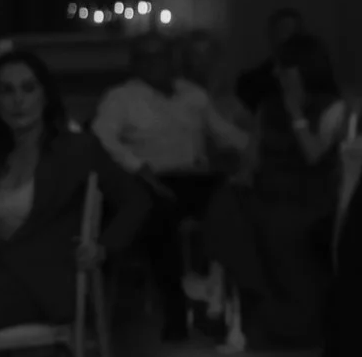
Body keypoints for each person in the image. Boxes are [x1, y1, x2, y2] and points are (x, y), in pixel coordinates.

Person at [0, 51, 150, 330]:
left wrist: (102, 248)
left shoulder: (76, 149)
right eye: (6, 91)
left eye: (28, 88)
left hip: (49, 284)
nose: (18, 101)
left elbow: (136, 200)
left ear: (45, 95)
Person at [93, 35, 250, 340]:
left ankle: (222, 304)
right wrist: (140, 169)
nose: (156, 63)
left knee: (235, 200)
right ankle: (175, 311)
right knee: (158, 215)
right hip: (150, 180)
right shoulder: (121, 98)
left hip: (195, 178)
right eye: (146, 57)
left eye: (161, 56)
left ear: (172, 59)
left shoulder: (193, 95)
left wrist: (259, 145)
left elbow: (223, 133)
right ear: (135, 63)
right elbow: (100, 139)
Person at [203, 33, 348, 350]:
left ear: (302, 70)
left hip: (310, 196)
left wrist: (296, 114)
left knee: (278, 226)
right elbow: (252, 159)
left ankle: (271, 317)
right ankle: (223, 298)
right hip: (268, 190)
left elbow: (315, 155)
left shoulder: (333, 108)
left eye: (283, 69)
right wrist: (240, 177)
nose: (275, 75)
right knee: (226, 202)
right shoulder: (267, 108)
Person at [234, 8, 306, 117]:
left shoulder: (315, 79)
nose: (291, 38)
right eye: (285, 31)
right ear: (272, 35)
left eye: (296, 33)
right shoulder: (250, 82)